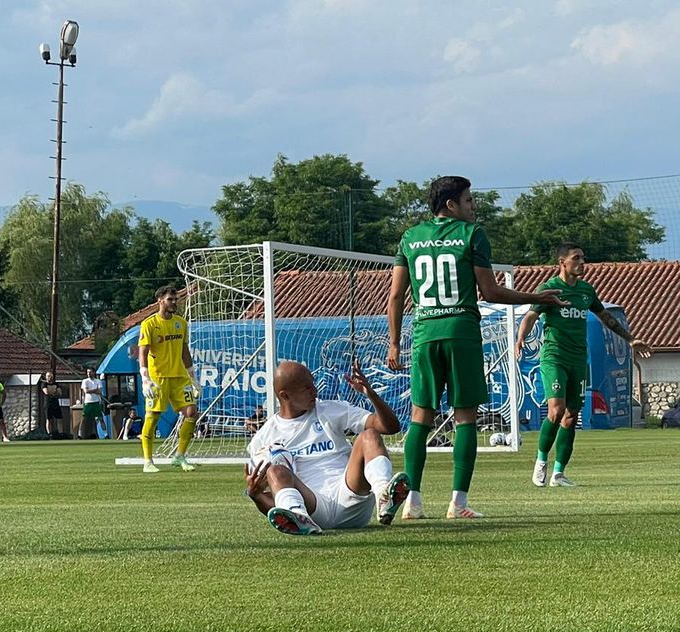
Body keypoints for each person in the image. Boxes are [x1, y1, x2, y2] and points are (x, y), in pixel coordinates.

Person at [387, 175, 566, 520]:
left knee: (420, 416)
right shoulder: (472, 235)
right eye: (469, 200)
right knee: (465, 416)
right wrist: (537, 297)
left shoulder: (410, 237)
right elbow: (492, 293)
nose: (474, 206)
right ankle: (458, 502)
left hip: (424, 334)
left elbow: (395, 297)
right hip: (461, 331)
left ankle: (413, 502)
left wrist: (394, 342)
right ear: (451, 205)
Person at [516, 243, 653, 487]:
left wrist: (631, 339)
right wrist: (520, 339)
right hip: (554, 356)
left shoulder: (586, 291)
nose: (582, 262)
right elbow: (530, 316)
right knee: (556, 410)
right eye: (576, 258)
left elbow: (606, 317)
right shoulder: (549, 289)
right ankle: (540, 461)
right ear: (562, 262)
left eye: (584, 258)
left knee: (571, 416)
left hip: (578, 359)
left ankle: (559, 474)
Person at [243, 360, 410, 535]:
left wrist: (371, 394)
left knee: (370, 434)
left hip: (351, 496)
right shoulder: (264, 438)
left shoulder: (330, 410)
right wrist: (256, 496)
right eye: (306, 388)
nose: (314, 391)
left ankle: (384, 495)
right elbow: (275, 507)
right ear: (285, 396)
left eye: (313, 384)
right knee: (275, 472)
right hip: (313, 507)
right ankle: (298, 517)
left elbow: (390, 427)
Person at [138, 285, 202, 473]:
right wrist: (145, 378)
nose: (174, 302)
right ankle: (148, 461)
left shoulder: (181, 323)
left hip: (179, 377)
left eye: (175, 299)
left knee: (191, 412)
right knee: (153, 417)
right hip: (158, 378)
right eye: (170, 300)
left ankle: (180, 456)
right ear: (160, 301)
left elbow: (184, 350)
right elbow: (143, 352)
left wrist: (193, 377)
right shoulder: (149, 324)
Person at [78, 367, 106, 439]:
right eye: (87, 372)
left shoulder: (98, 381)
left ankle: (106, 434)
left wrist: (91, 390)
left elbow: (99, 391)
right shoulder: (85, 381)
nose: (89, 374)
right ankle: (80, 434)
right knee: (84, 418)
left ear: (93, 372)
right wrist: (95, 390)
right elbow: (86, 391)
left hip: (96, 402)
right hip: (88, 402)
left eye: (90, 372)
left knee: (100, 418)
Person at [41, 371, 64, 436]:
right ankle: (50, 434)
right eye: (48, 376)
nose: (50, 377)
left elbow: (59, 392)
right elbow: (46, 392)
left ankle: (60, 433)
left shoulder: (56, 384)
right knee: (49, 419)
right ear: (46, 377)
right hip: (48, 404)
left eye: (51, 376)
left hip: (56, 403)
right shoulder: (44, 384)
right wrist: (54, 391)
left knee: (59, 419)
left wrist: (54, 391)